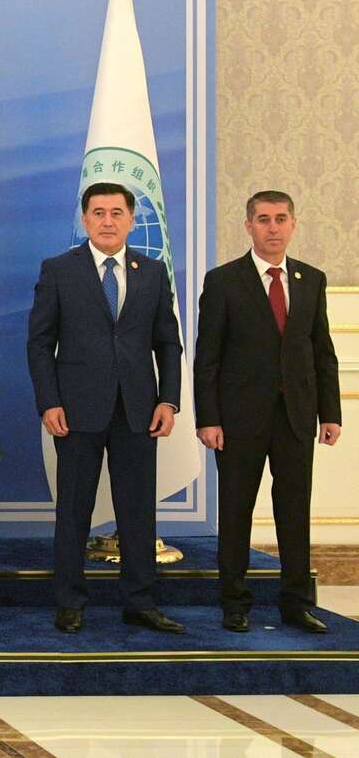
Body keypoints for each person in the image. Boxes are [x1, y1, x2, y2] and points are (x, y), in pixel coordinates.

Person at [26, 181, 184, 634]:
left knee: (138, 511)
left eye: (117, 213)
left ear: (132, 220)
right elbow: (40, 343)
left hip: (138, 410)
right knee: (74, 510)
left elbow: (167, 342)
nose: (108, 221)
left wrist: (168, 400)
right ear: (85, 220)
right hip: (76, 410)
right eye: (99, 212)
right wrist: (49, 401)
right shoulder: (59, 270)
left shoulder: (152, 271)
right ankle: (70, 603)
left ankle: (140, 602)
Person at [196, 190, 341, 633]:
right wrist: (208, 418)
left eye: (280, 218)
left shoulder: (311, 279)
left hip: (296, 417)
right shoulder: (223, 281)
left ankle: (296, 604)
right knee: (236, 511)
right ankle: (234, 603)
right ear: (248, 226)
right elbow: (208, 357)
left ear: (293, 224)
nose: (272, 227)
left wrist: (330, 413)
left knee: (294, 512)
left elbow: (322, 352)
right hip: (238, 420)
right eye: (263, 219)